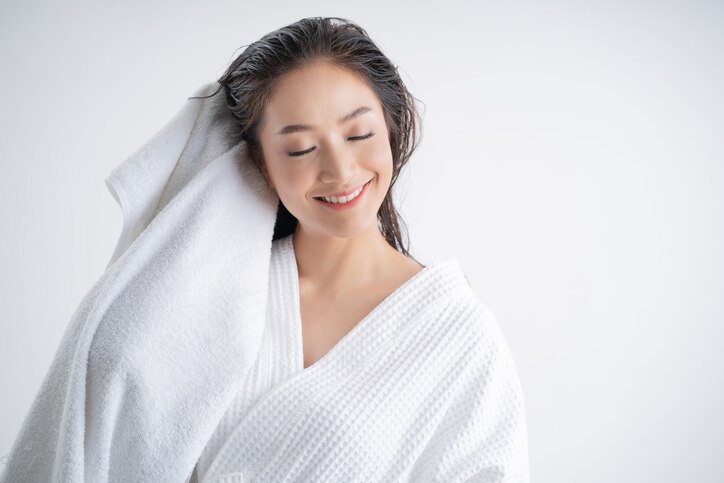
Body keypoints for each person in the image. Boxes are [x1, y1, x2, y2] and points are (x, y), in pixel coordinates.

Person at [185, 16, 530, 482]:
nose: (340, 171)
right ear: (260, 164)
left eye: (358, 135)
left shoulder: (458, 336)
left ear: (391, 130)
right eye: (302, 148)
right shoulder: (219, 288)